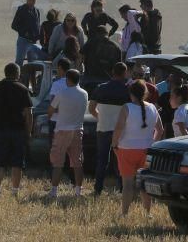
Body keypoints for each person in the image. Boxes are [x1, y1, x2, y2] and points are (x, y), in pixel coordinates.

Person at [112, 79, 164, 216]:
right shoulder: (153, 107)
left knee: (127, 184)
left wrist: (114, 143)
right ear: (145, 93)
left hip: (127, 149)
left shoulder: (126, 107)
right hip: (146, 149)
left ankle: (124, 213)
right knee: (145, 184)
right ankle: (148, 212)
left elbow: (118, 128)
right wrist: (153, 143)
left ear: (131, 93)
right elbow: (160, 129)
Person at [0, 63, 33, 198]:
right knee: (17, 162)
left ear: (5, 73)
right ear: (18, 74)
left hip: (0, 129)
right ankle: (15, 192)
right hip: (18, 130)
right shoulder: (23, 89)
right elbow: (28, 113)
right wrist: (28, 131)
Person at [89, 62, 129, 195]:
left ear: (113, 72)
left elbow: (91, 108)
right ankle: (121, 189)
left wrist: (100, 117)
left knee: (102, 161)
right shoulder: (127, 90)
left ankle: (98, 189)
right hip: (120, 130)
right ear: (125, 73)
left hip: (103, 128)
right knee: (119, 161)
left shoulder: (100, 88)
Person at [47, 69, 88, 198]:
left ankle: (54, 190)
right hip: (77, 129)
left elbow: (51, 110)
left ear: (67, 79)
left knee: (58, 161)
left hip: (62, 129)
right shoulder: (84, 94)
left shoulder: (62, 93)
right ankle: (78, 190)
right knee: (77, 161)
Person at [11, 0, 41, 67]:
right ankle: (17, 78)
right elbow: (14, 25)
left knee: (33, 65)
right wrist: (24, 32)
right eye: (30, 0)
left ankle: (31, 79)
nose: (31, 2)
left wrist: (38, 36)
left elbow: (38, 25)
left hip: (34, 42)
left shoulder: (37, 11)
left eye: (33, 1)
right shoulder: (21, 9)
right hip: (23, 41)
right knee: (19, 63)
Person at [48, 58, 71, 133]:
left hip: (56, 121)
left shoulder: (56, 84)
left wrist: (49, 116)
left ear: (60, 68)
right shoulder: (75, 84)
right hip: (70, 121)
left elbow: (53, 104)